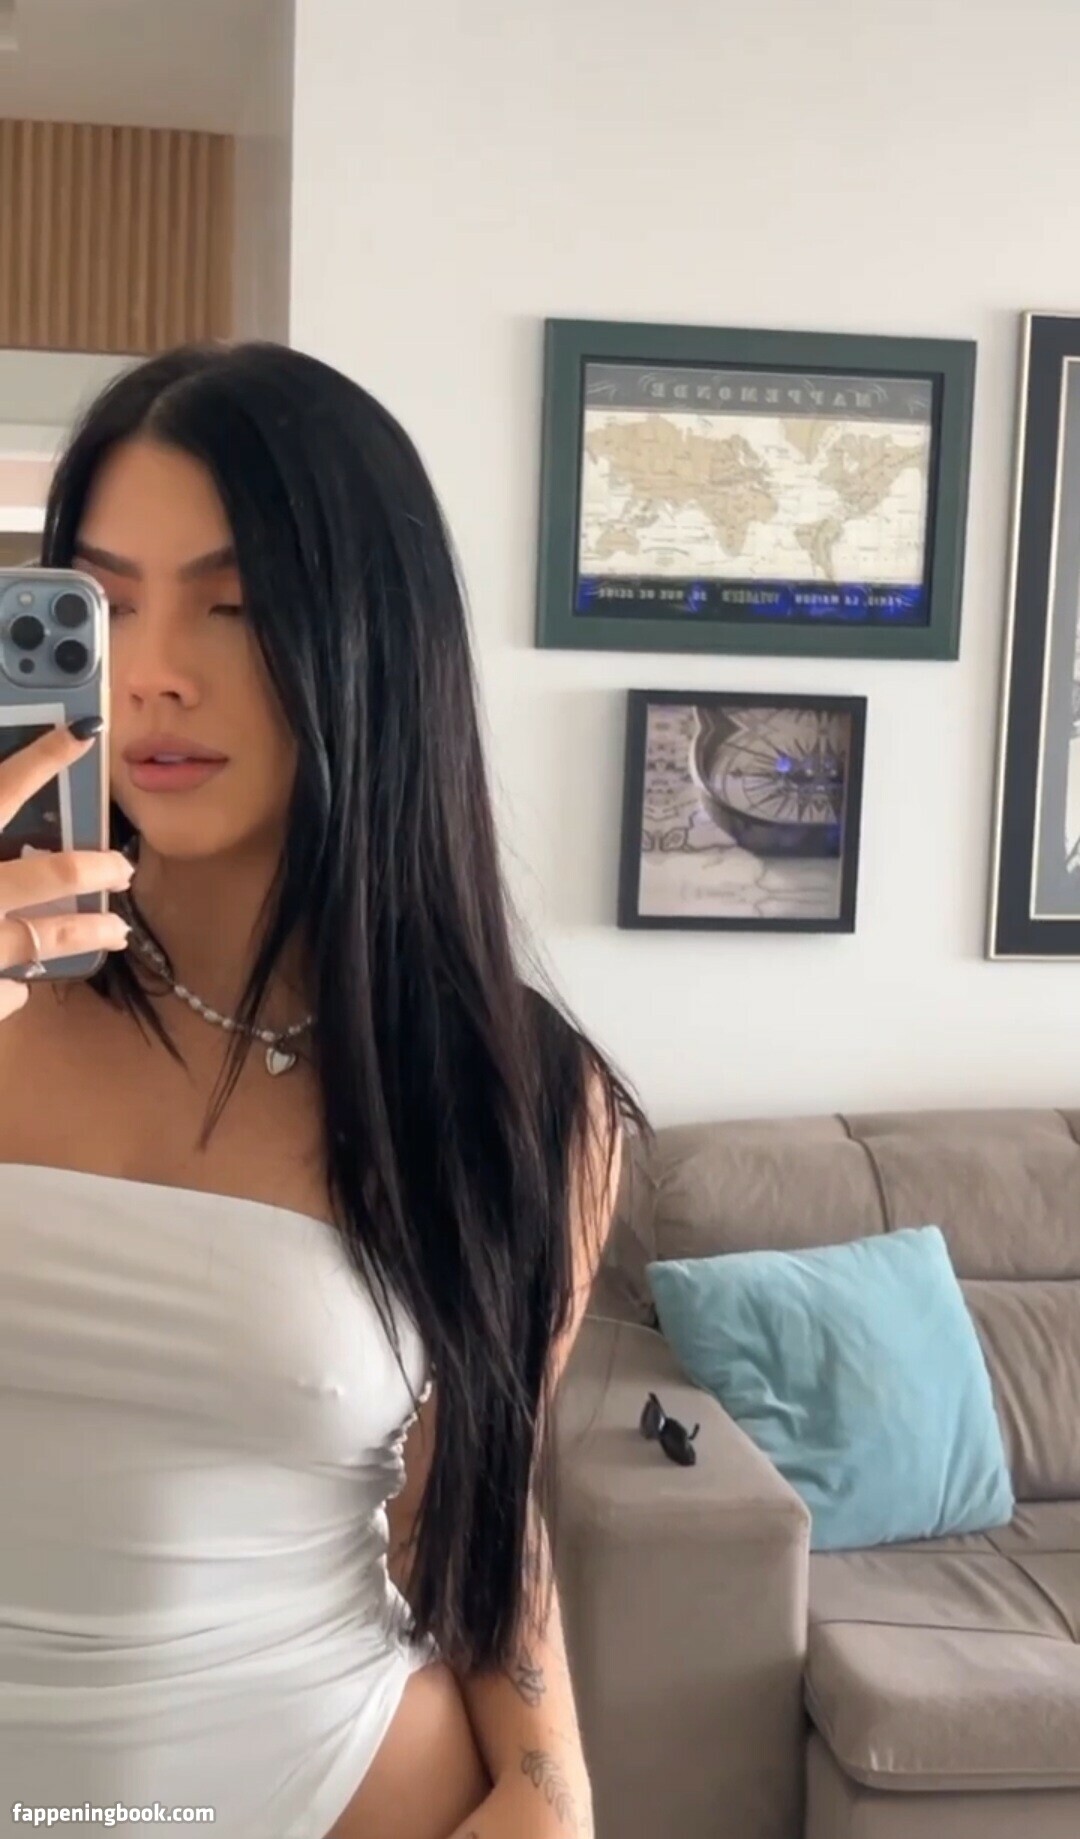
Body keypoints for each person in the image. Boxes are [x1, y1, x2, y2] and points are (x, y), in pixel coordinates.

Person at [0, 343, 645, 1839]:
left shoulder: (511, 1094)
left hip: (336, 1783)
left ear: (373, 639)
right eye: (107, 605)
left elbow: (461, 1507)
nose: (155, 670)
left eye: (234, 606)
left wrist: (550, 1787)